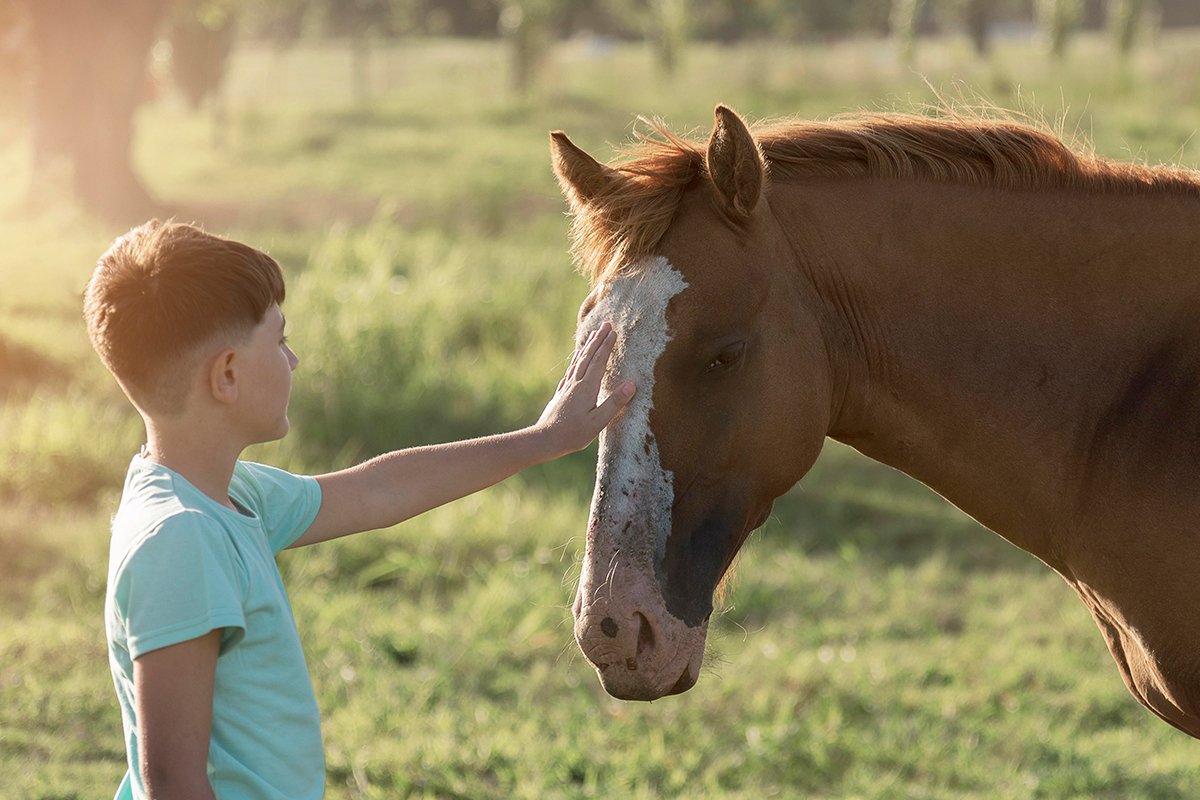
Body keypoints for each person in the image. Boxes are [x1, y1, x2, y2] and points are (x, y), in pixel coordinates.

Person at [84, 219, 635, 800]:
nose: (293, 360)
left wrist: (546, 438)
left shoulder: (225, 494)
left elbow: (380, 490)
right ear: (226, 375)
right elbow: (171, 781)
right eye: (278, 340)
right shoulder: (181, 540)